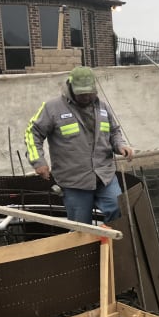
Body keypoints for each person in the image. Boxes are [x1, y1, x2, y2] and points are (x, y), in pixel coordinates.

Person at [24, 66, 134, 225]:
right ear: (70, 87)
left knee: (119, 211)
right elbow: (32, 133)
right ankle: (87, 240)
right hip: (74, 181)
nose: (86, 97)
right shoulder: (52, 108)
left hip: (105, 176)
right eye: (81, 93)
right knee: (81, 227)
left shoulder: (103, 108)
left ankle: (109, 240)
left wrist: (120, 145)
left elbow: (114, 131)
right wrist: (38, 161)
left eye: (89, 93)